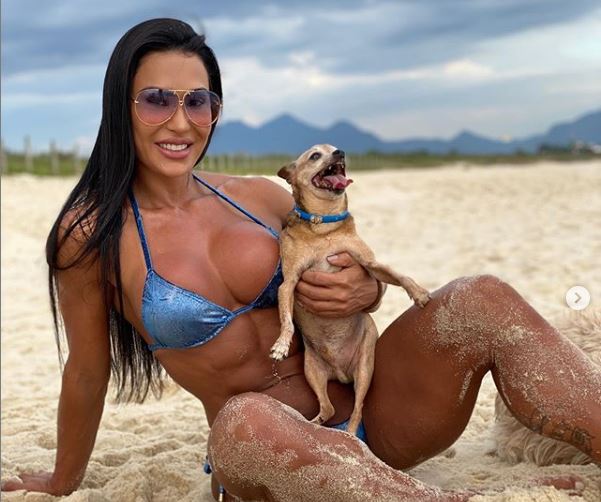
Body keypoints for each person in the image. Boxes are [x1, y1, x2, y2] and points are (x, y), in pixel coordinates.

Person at [2, 18, 599, 501]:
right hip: (278, 455)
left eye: (198, 101)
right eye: (156, 100)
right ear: (120, 105)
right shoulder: (91, 237)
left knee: (480, 295)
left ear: (215, 109)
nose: (180, 122)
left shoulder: (261, 197)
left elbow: (350, 266)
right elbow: (87, 369)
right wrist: (62, 480)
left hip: (378, 415)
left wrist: (369, 291)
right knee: (242, 420)